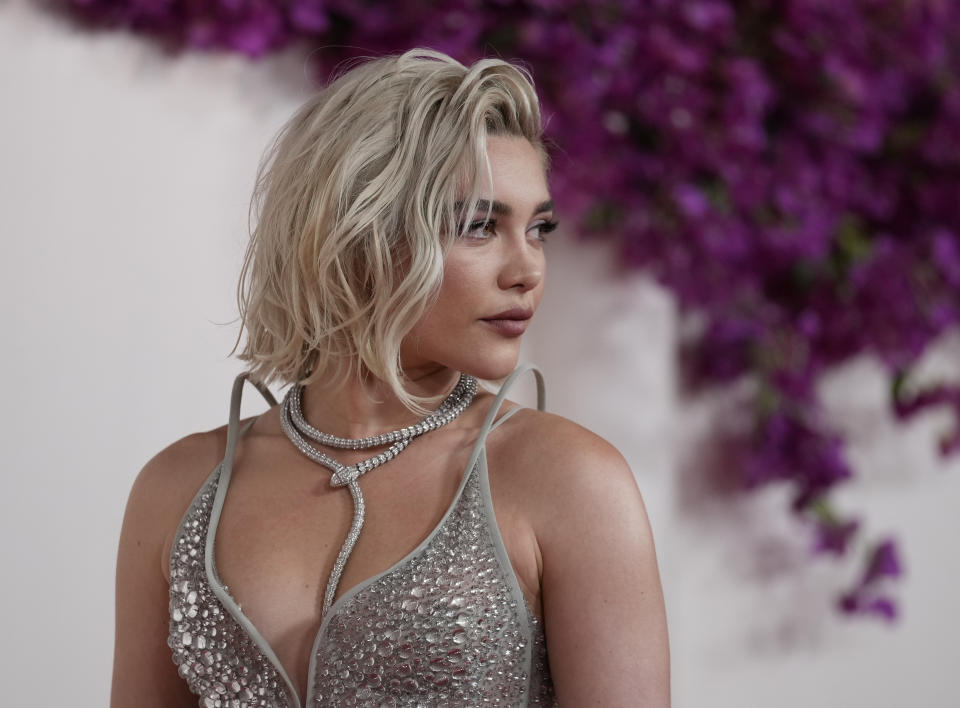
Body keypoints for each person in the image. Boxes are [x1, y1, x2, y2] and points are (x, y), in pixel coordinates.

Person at [111, 49, 670, 707]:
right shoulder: (178, 490)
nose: (528, 269)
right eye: (479, 227)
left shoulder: (567, 480)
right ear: (356, 234)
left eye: (538, 228)